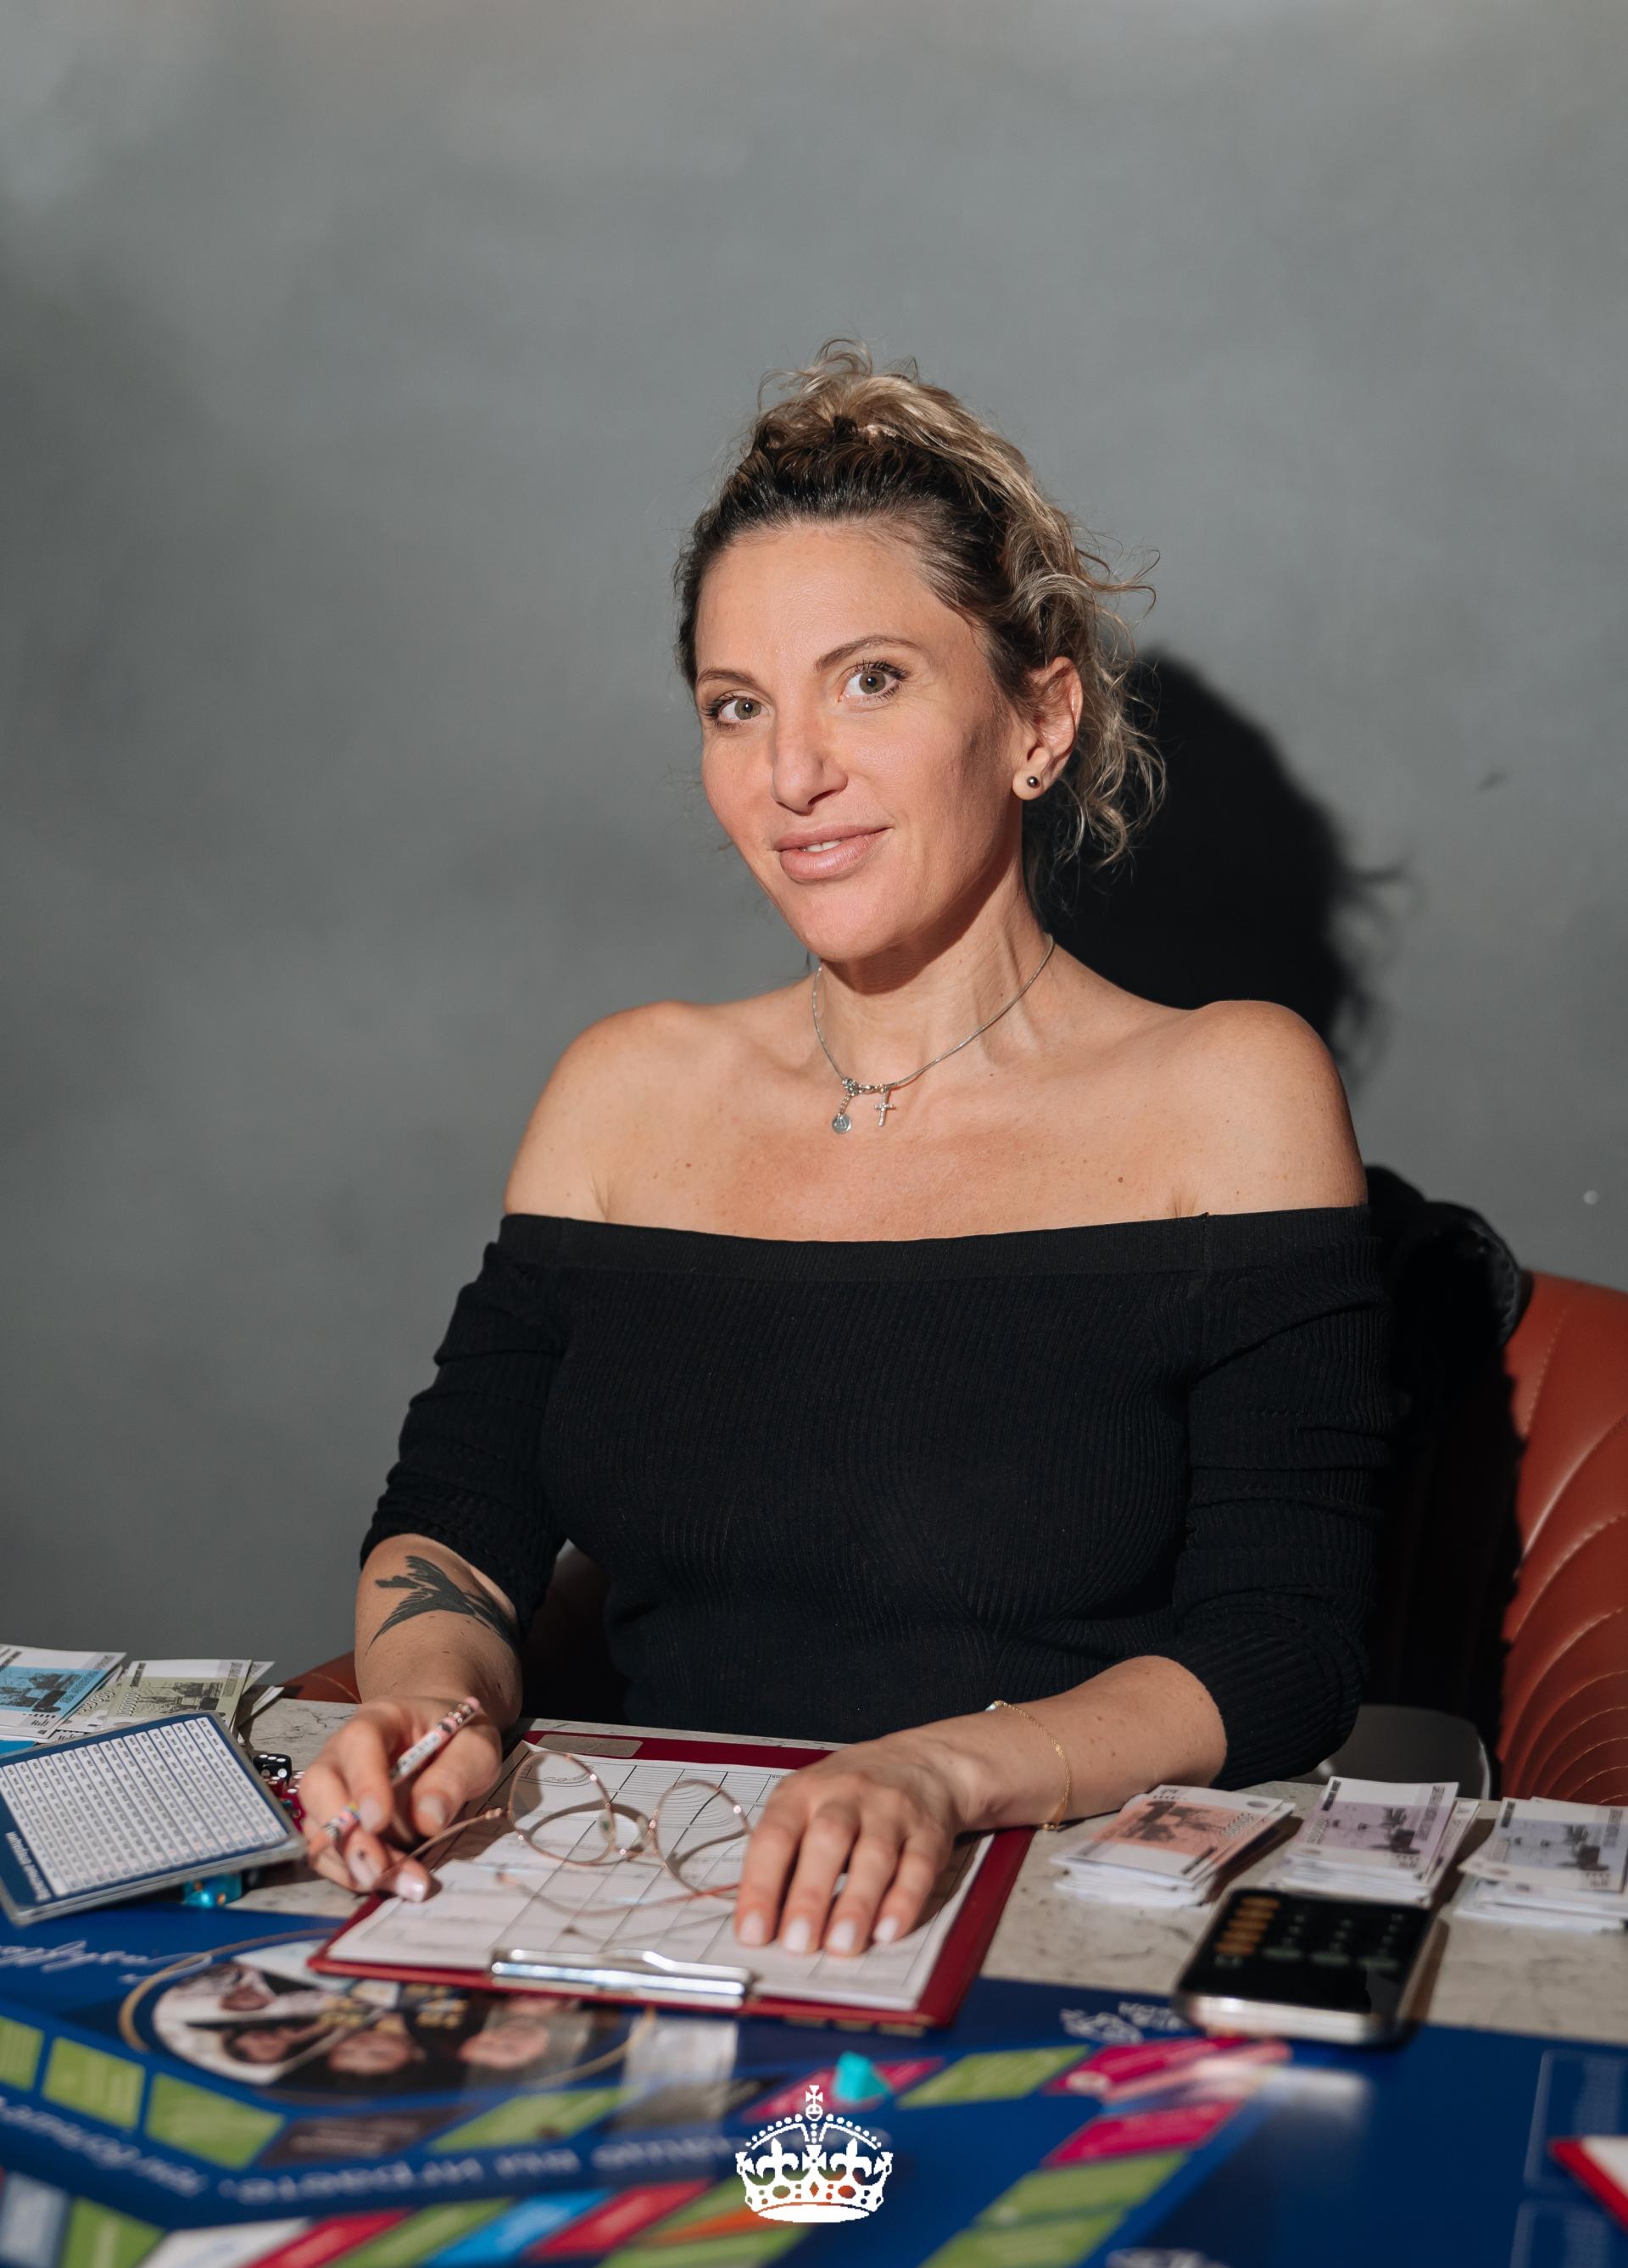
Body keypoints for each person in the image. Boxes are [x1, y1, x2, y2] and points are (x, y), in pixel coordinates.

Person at [300, 341, 1397, 1963]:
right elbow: (457, 1516)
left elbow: (1282, 1645)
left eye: (870, 680)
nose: (793, 773)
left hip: (1034, 1912)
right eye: (736, 707)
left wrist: (934, 1775)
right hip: (632, 1907)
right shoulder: (623, 1089)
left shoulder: (1230, 1090)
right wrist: (429, 1702)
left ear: (1039, 719)